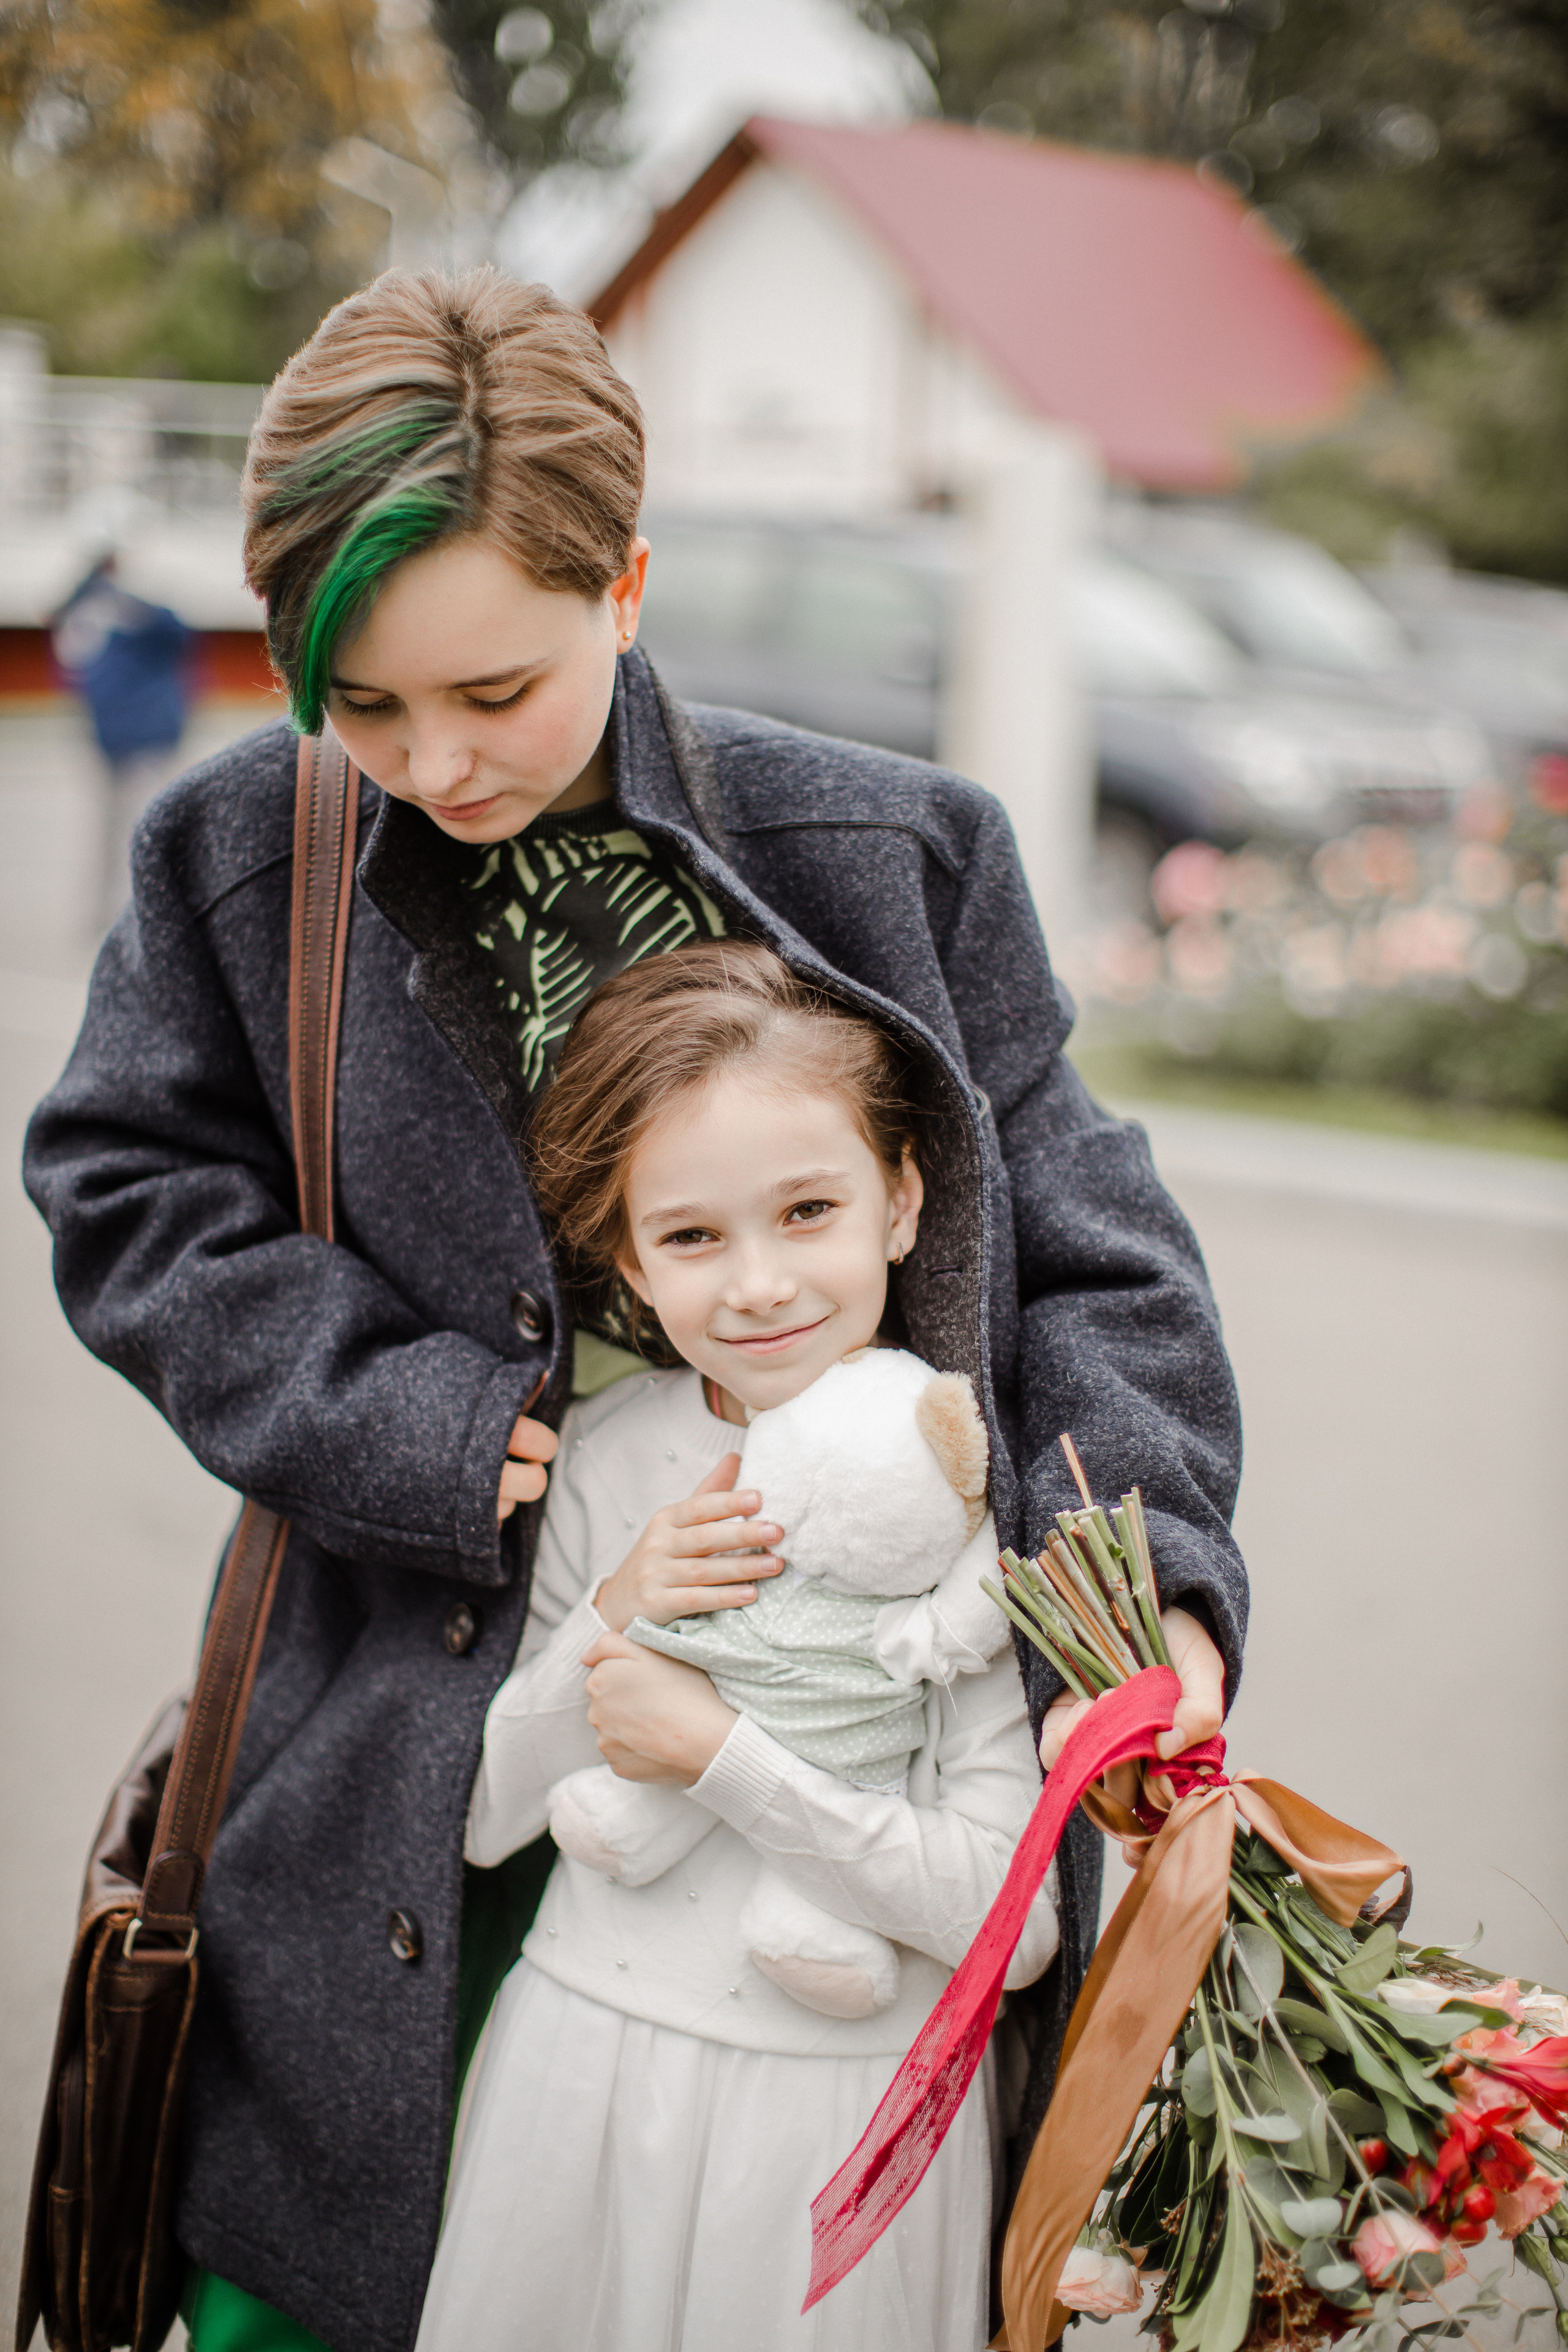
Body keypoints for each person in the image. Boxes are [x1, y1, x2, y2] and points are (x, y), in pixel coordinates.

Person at [23, 265, 1246, 2352]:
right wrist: (402, 1417)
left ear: (628, 583)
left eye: (493, 691)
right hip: (417, 1756)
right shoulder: (242, 853)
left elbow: (1093, 1234)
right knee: (344, 2282)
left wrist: (1157, 1601)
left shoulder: (893, 852)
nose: (431, 761)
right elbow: (124, 1185)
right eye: (364, 704)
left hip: (854, 1783)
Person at [415, 940, 1219, 2351]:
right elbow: (482, 1818)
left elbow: (1008, 1928)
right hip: (580, 2063)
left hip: (837, 2111)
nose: (758, 1283)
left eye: (806, 1210)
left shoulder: (959, 1481)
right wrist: (616, 1605)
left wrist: (724, 1759)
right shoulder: (605, 1455)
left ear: (900, 1200)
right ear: (619, 1249)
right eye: (689, 1236)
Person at [50, 551, 192, 926]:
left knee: (143, 827)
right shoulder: (93, 616)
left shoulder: (145, 616)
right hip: (114, 740)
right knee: (114, 829)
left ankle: (144, 912)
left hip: (143, 740)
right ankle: (116, 912)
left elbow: (176, 635)